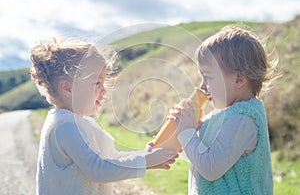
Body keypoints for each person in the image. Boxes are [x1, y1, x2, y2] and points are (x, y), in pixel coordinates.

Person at [30, 38, 178, 195]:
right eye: (97, 83)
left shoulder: (81, 123)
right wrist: (145, 161)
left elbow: (111, 158)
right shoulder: (64, 126)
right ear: (67, 89)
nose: (104, 90)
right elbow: (98, 170)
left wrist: (145, 155)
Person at [171, 26, 277, 194]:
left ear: (239, 80)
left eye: (209, 77)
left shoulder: (243, 119)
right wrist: (180, 138)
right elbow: (200, 157)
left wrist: (187, 132)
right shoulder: (220, 116)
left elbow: (211, 168)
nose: (202, 86)